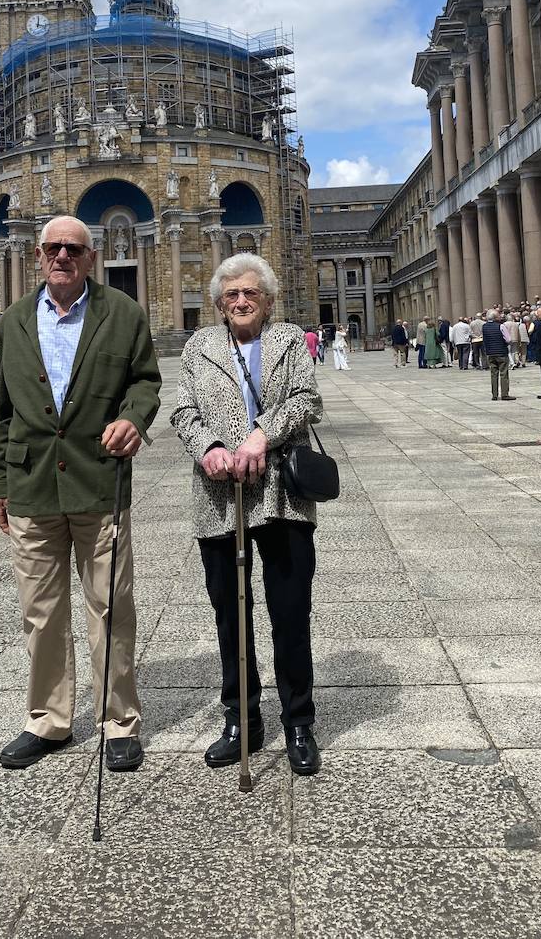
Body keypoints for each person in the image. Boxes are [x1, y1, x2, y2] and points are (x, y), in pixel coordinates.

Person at [0, 215, 161, 773]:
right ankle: (48, 720)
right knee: (40, 613)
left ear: (93, 258)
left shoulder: (124, 314)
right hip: (32, 484)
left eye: (74, 249)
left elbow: (144, 380)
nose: (61, 256)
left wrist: (134, 418)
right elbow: (4, 412)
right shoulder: (13, 320)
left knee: (110, 606)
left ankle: (118, 722)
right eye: (52, 248)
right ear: (38, 256)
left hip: (98, 479)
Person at [170, 253, 324, 776]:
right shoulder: (199, 347)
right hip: (219, 497)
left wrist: (264, 432)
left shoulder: (289, 342)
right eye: (231, 295)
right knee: (230, 615)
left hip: (281, 494)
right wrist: (209, 445)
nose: (240, 302)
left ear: (268, 301)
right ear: (218, 304)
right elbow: (182, 410)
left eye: (250, 294)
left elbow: (307, 399)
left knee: (289, 612)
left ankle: (299, 720)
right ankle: (242, 718)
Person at [482, 310, 515, 402]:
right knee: (504, 373)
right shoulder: (501, 326)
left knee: (493, 374)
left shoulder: (484, 327)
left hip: (490, 353)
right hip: (501, 352)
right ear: (496, 317)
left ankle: (494, 394)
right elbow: (508, 339)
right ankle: (504, 394)